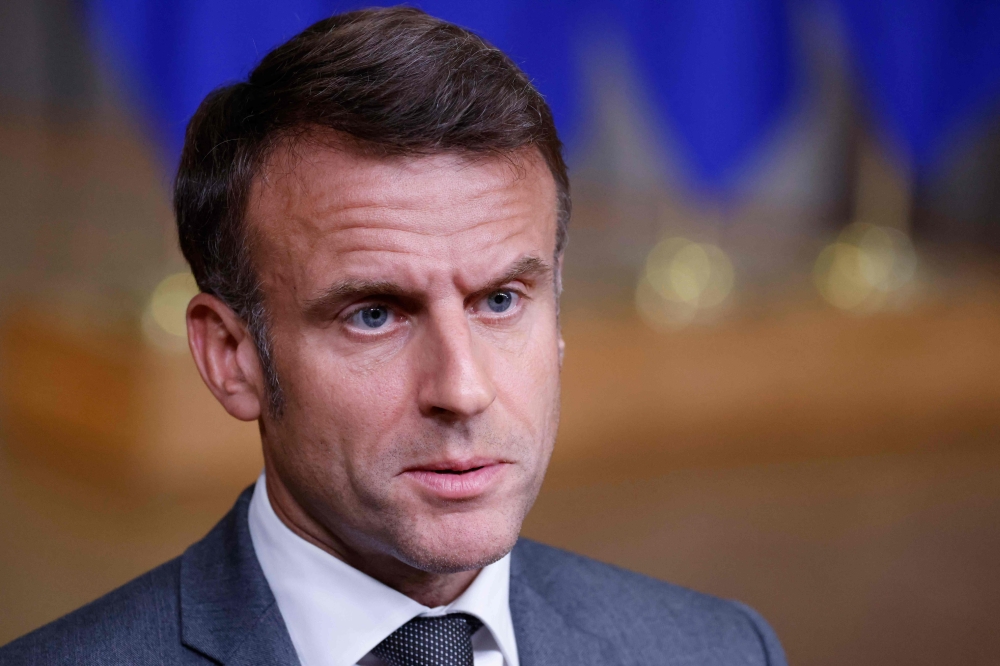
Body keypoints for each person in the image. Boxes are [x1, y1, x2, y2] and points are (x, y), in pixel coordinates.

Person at [0, 7, 786, 666]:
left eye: (501, 300)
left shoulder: (717, 650)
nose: (463, 389)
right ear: (232, 357)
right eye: (374, 313)